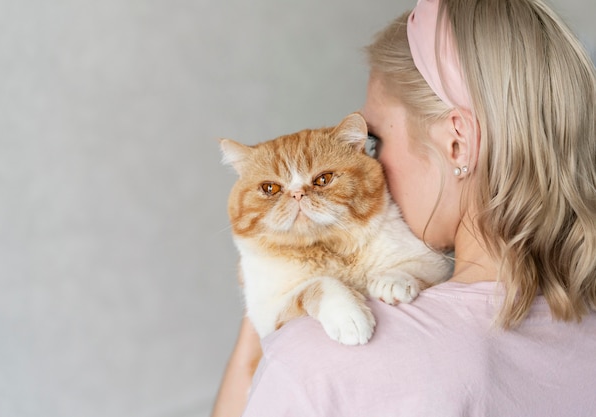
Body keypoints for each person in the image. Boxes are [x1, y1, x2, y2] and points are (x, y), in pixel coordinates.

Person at [212, 0, 596, 415]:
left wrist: (269, 317)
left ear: (456, 143)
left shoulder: (320, 360)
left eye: (375, 141)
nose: (372, 165)